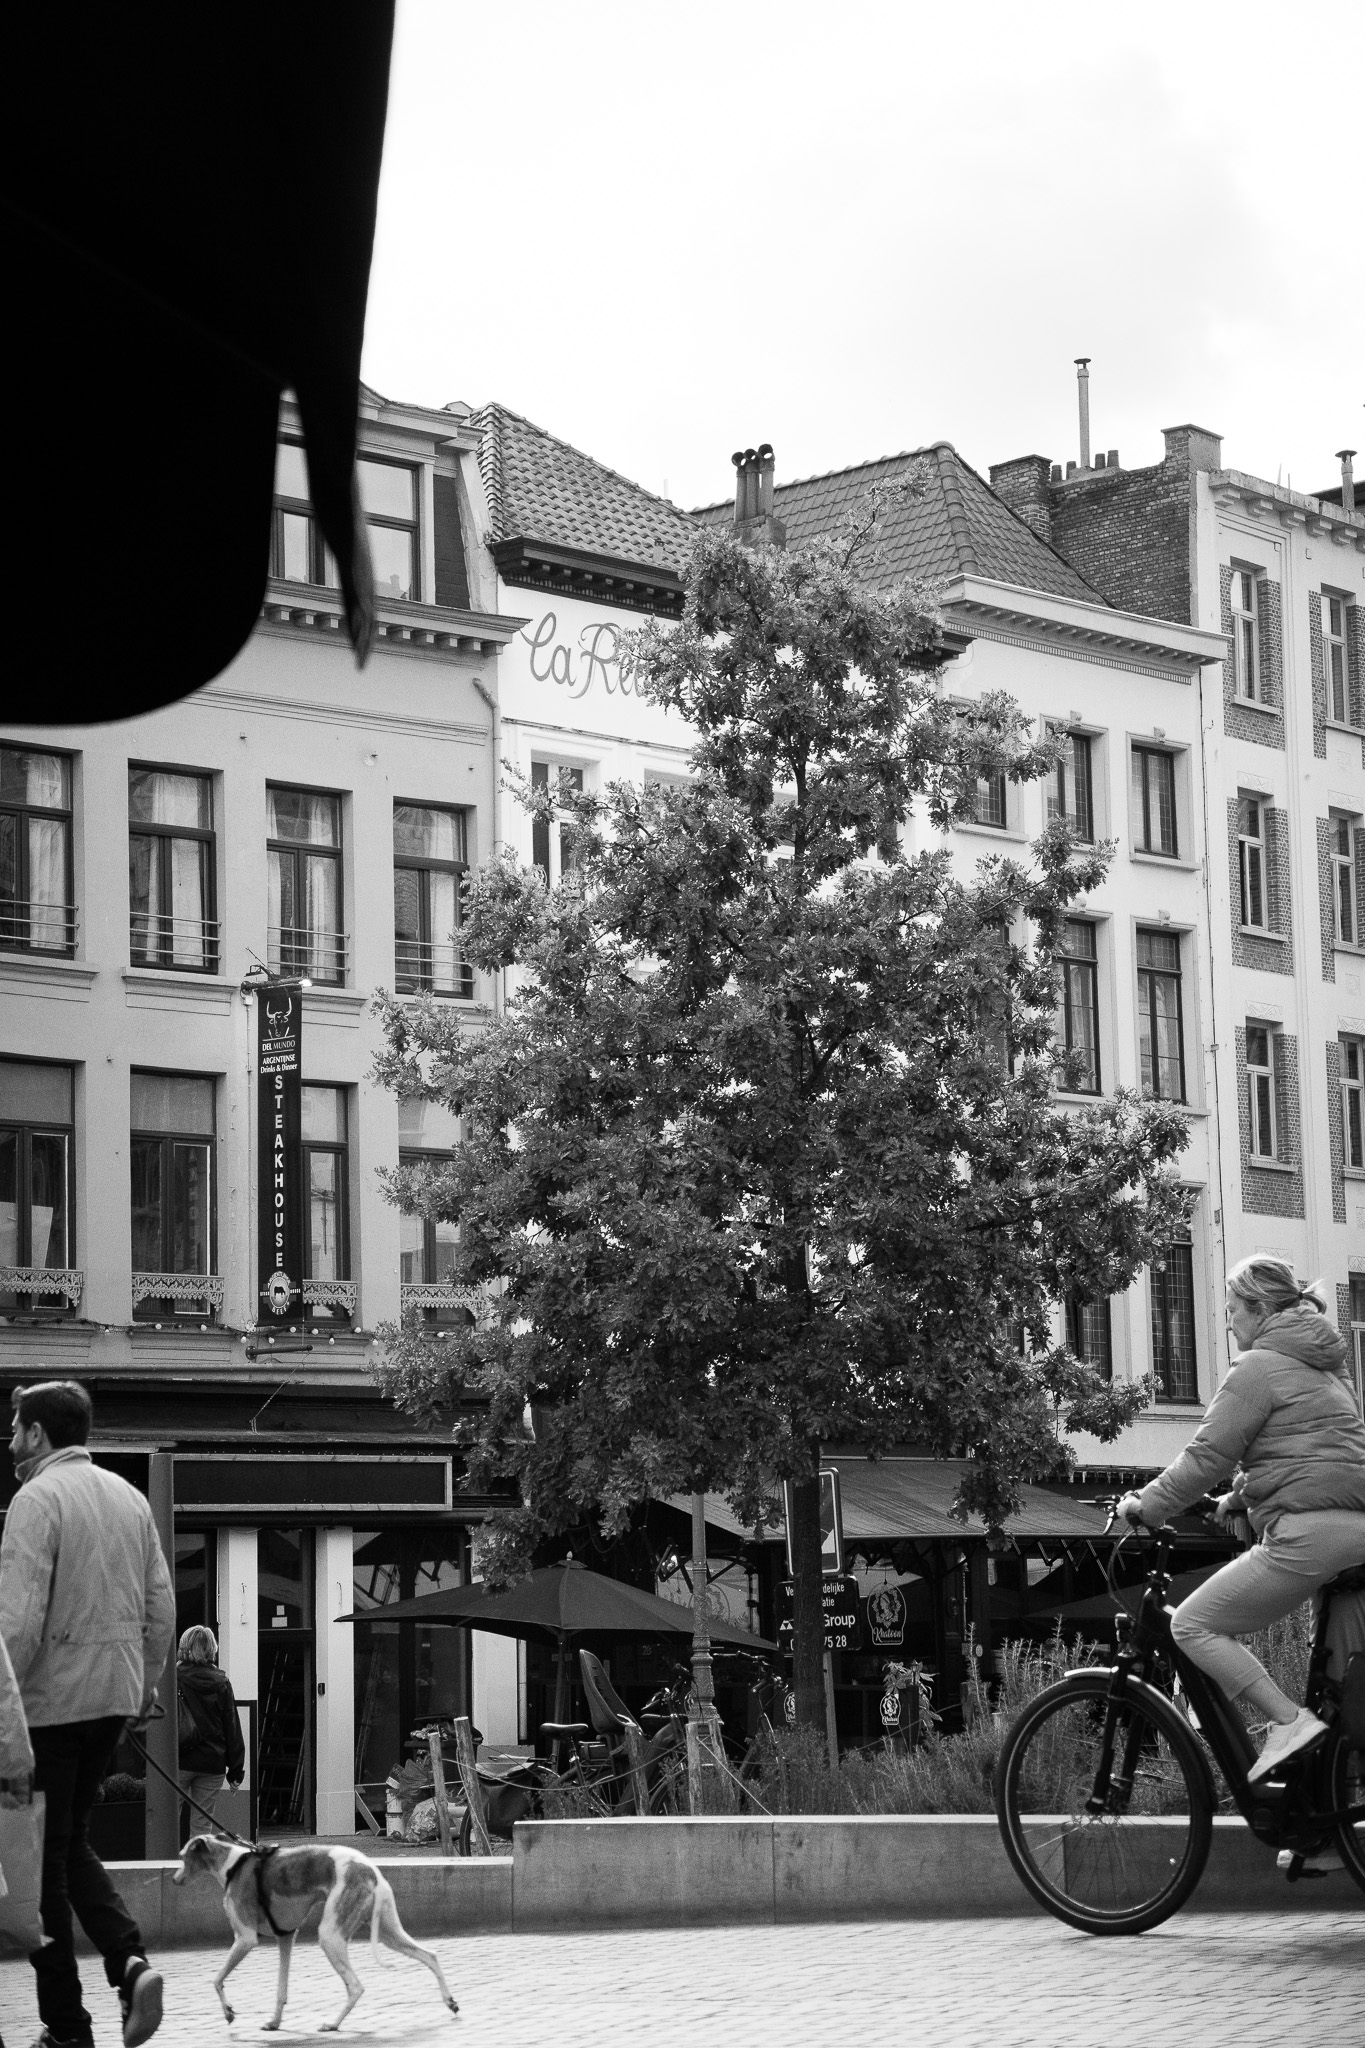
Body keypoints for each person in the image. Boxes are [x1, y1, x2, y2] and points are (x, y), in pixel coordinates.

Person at [1118, 1255, 1365, 1789]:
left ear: (1257, 1309)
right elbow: (1313, 1456)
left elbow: (1206, 1455)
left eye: (1232, 1310)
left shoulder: (1255, 1367)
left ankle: (1285, 1723)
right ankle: (1323, 1835)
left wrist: (1147, 1505)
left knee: (1191, 1625)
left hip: (1308, 1538)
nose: (1229, 1322)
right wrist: (1236, 1499)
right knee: (1342, 1700)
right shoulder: (1327, 1366)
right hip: (1357, 1535)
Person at [0, 1381, 175, 2048]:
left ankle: (68, 2028)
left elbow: (15, 1624)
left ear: (39, 1434)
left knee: (38, 1866)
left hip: (46, 1707)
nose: (12, 1439)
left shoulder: (35, 1500)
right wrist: (141, 1692)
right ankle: (128, 1964)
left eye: (17, 1427)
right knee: (67, 1842)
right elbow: (161, 1611)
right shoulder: (129, 1500)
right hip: (112, 1701)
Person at [175, 1627, 244, 1838]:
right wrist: (235, 1772)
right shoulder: (222, 1682)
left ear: (184, 1647)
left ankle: (168, 1868)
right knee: (202, 1826)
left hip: (178, 1760)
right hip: (212, 1763)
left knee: (167, 1823)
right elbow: (231, 1726)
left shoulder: (174, 1677)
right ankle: (199, 1869)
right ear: (212, 1649)